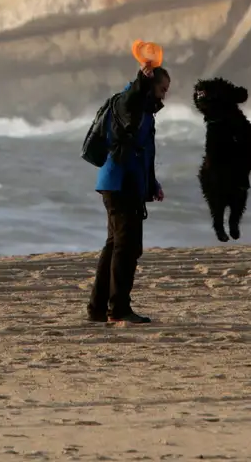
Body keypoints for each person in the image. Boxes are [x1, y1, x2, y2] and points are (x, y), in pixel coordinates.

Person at [88, 40, 168, 325]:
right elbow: (133, 97)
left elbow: (143, 151)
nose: (164, 96)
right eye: (162, 89)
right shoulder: (129, 102)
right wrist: (142, 78)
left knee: (115, 245)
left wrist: (152, 184)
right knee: (127, 247)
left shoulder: (143, 112)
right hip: (119, 183)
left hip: (123, 183)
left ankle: (98, 309)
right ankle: (118, 309)